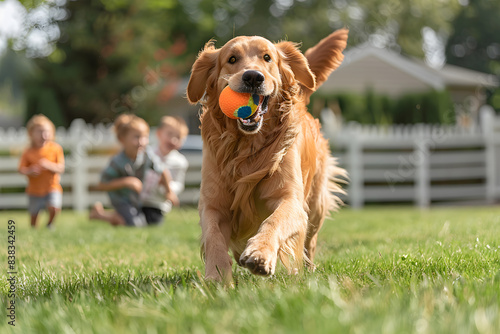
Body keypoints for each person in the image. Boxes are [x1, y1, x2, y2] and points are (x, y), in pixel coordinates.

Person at [90, 114, 178, 227]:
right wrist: (127, 182)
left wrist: (169, 192)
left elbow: (163, 170)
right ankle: (102, 215)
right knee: (134, 224)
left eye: (145, 137)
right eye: (136, 137)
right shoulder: (117, 162)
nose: (142, 141)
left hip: (136, 199)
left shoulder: (147, 155)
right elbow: (102, 185)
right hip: (120, 199)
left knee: (139, 221)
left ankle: (101, 214)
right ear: (122, 139)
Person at [18, 114, 65, 229]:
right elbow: (21, 169)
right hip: (34, 190)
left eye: (47, 132)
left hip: (52, 186)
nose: (44, 136)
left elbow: (61, 168)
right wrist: (30, 171)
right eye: (39, 132)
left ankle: (50, 224)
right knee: (34, 214)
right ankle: (34, 229)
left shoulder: (55, 149)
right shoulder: (28, 151)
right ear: (31, 134)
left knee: (54, 207)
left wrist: (49, 165)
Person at [141, 116, 189, 222]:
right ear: (159, 133)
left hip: (158, 203)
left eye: (178, 137)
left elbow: (179, 184)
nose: (173, 140)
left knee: (152, 221)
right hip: (140, 200)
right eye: (169, 134)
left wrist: (167, 186)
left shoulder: (180, 162)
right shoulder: (147, 153)